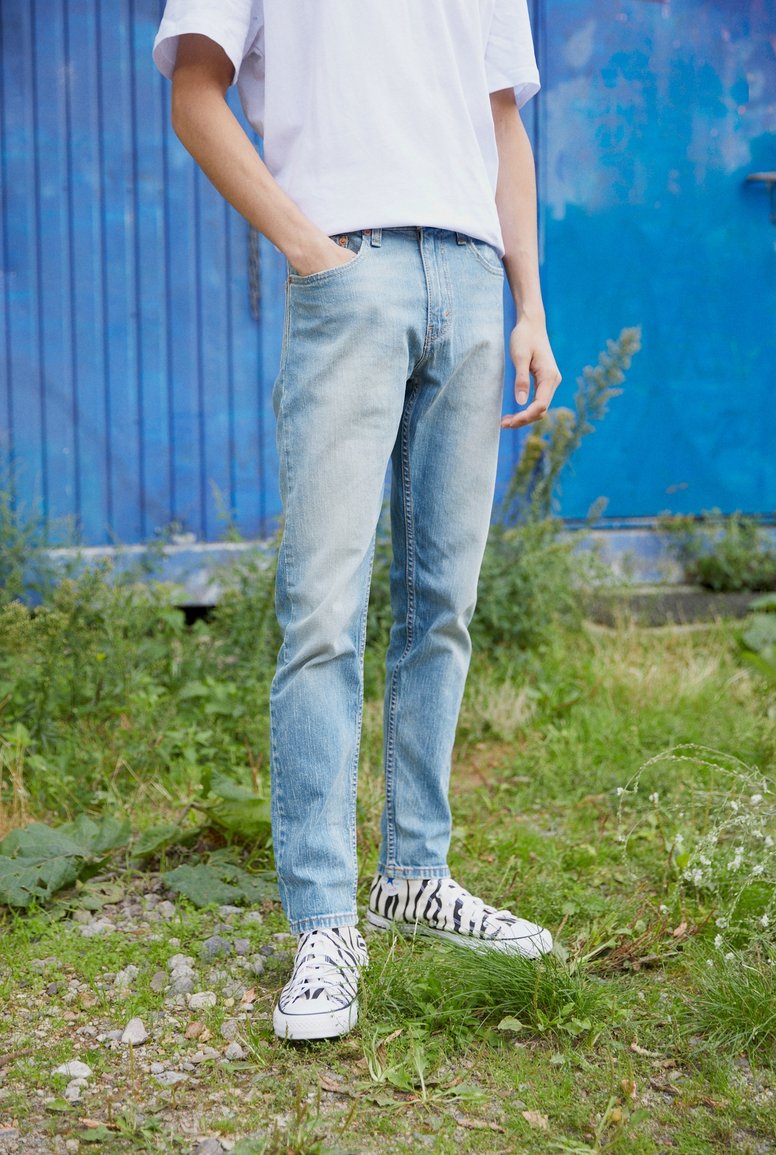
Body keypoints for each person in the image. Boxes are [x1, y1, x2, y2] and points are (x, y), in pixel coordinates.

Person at [153, 0, 562, 1042]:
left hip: (473, 276)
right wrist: (309, 246)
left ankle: (413, 875)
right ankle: (324, 921)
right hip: (349, 267)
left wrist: (528, 305)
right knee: (322, 614)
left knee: (443, 607)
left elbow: (501, 120)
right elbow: (194, 90)